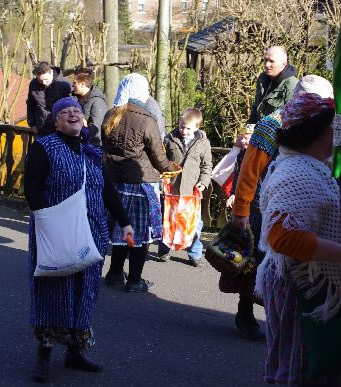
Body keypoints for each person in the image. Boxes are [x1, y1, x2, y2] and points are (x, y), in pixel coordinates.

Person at [24, 97, 134, 383]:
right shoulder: (45, 147)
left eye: (76, 110)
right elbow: (32, 187)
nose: (73, 114)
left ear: (83, 119)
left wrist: (125, 222)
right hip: (56, 232)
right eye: (65, 111)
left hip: (92, 232)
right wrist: (46, 221)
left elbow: (107, 190)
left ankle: (75, 352)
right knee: (53, 288)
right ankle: (44, 355)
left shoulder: (92, 152)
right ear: (56, 120)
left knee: (85, 290)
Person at [256, 93, 341, 385]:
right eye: (331, 129)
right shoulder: (298, 173)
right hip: (300, 283)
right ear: (315, 133)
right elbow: (283, 237)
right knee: (299, 369)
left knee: (295, 364)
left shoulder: (303, 165)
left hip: (298, 279)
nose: (336, 135)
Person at [230, 75, 334, 340]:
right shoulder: (270, 124)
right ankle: (246, 314)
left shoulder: (325, 125)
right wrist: (241, 210)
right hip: (265, 206)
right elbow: (249, 170)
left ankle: (281, 319)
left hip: (301, 204)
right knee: (258, 262)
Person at [101, 73, 180, 292]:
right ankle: (135, 281)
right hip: (139, 183)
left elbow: (105, 148)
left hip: (113, 183)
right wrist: (171, 168)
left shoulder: (110, 115)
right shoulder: (146, 118)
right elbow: (158, 157)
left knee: (122, 230)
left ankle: (115, 273)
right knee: (140, 235)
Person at [157, 107, 212, 266]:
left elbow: (206, 165)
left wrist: (203, 182)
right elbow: (161, 161)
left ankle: (194, 254)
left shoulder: (203, 143)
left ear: (197, 127)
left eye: (188, 128)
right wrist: (162, 179)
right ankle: (164, 249)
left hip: (192, 190)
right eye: (181, 126)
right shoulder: (169, 139)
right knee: (168, 220)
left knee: (194, 224)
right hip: (171, 189)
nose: (184, 131)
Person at [248, 46, 299, 124]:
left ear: (283, 64)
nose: (267, 65)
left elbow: (293, 120)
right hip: (260, 129)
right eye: (265, 60)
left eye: (272, 61)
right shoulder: (262, 79)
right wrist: (250, 127)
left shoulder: (293, 85)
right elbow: (256, 107)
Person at [26, 62, 72, 136]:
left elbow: (71, 106)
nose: (44, 83)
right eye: (41, 80)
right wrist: (32, 124)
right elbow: (30, 104)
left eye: (46, 79)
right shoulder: (33, 84)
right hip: (41, 129)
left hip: (60, 129)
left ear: (51, 72)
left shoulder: (64, 84)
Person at [71, 67, 107, 146]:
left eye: (74, 82)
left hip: (91, 147)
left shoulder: (97, 102)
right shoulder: (74, 98)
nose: (72, 85)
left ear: (82, 84)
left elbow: (96, 130)